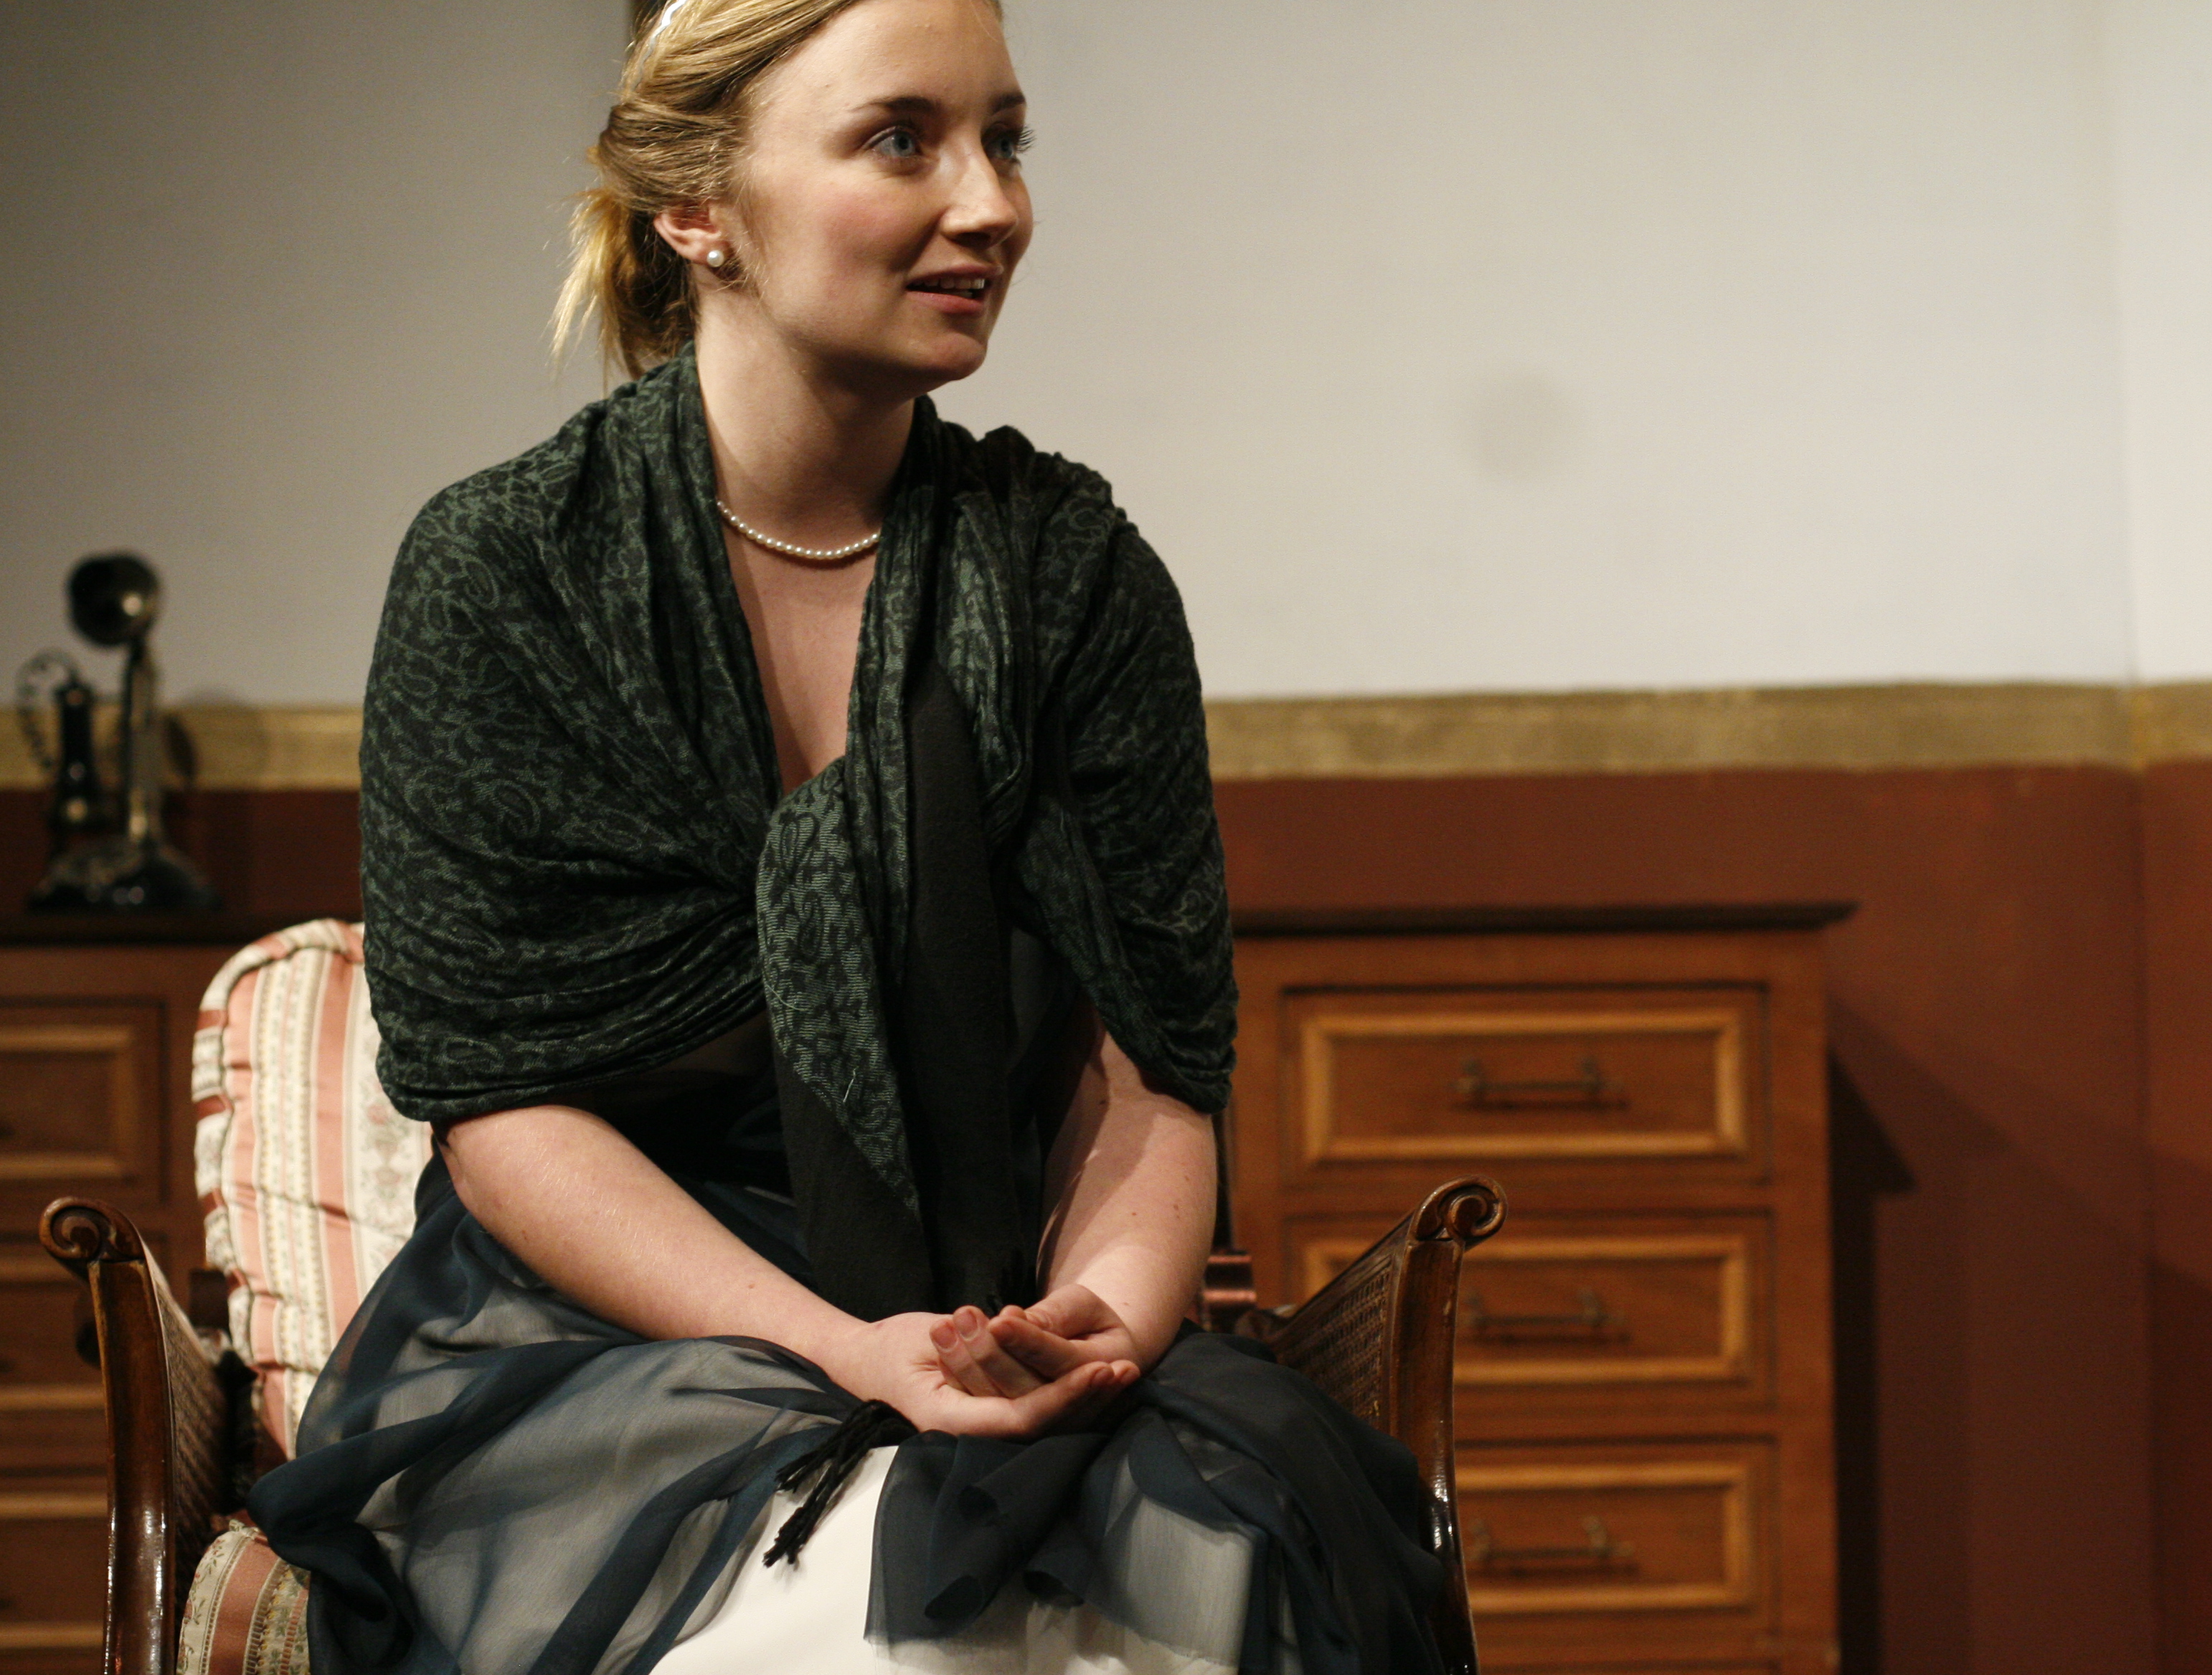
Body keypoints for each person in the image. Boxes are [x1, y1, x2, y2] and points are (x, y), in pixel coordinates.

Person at [242, 1, 1447, 1672]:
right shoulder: (511, 574)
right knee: (872, 1626)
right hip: (606, 1344)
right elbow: (507, 1117)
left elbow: (1150, 1065)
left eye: (1005, 139)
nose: (991, 204)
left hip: (985, 1308)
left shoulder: (1071, 576)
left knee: (1217, 1572)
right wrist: (843, 1350)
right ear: (698, 207)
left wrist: (1097, 1324)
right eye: (902, 140)